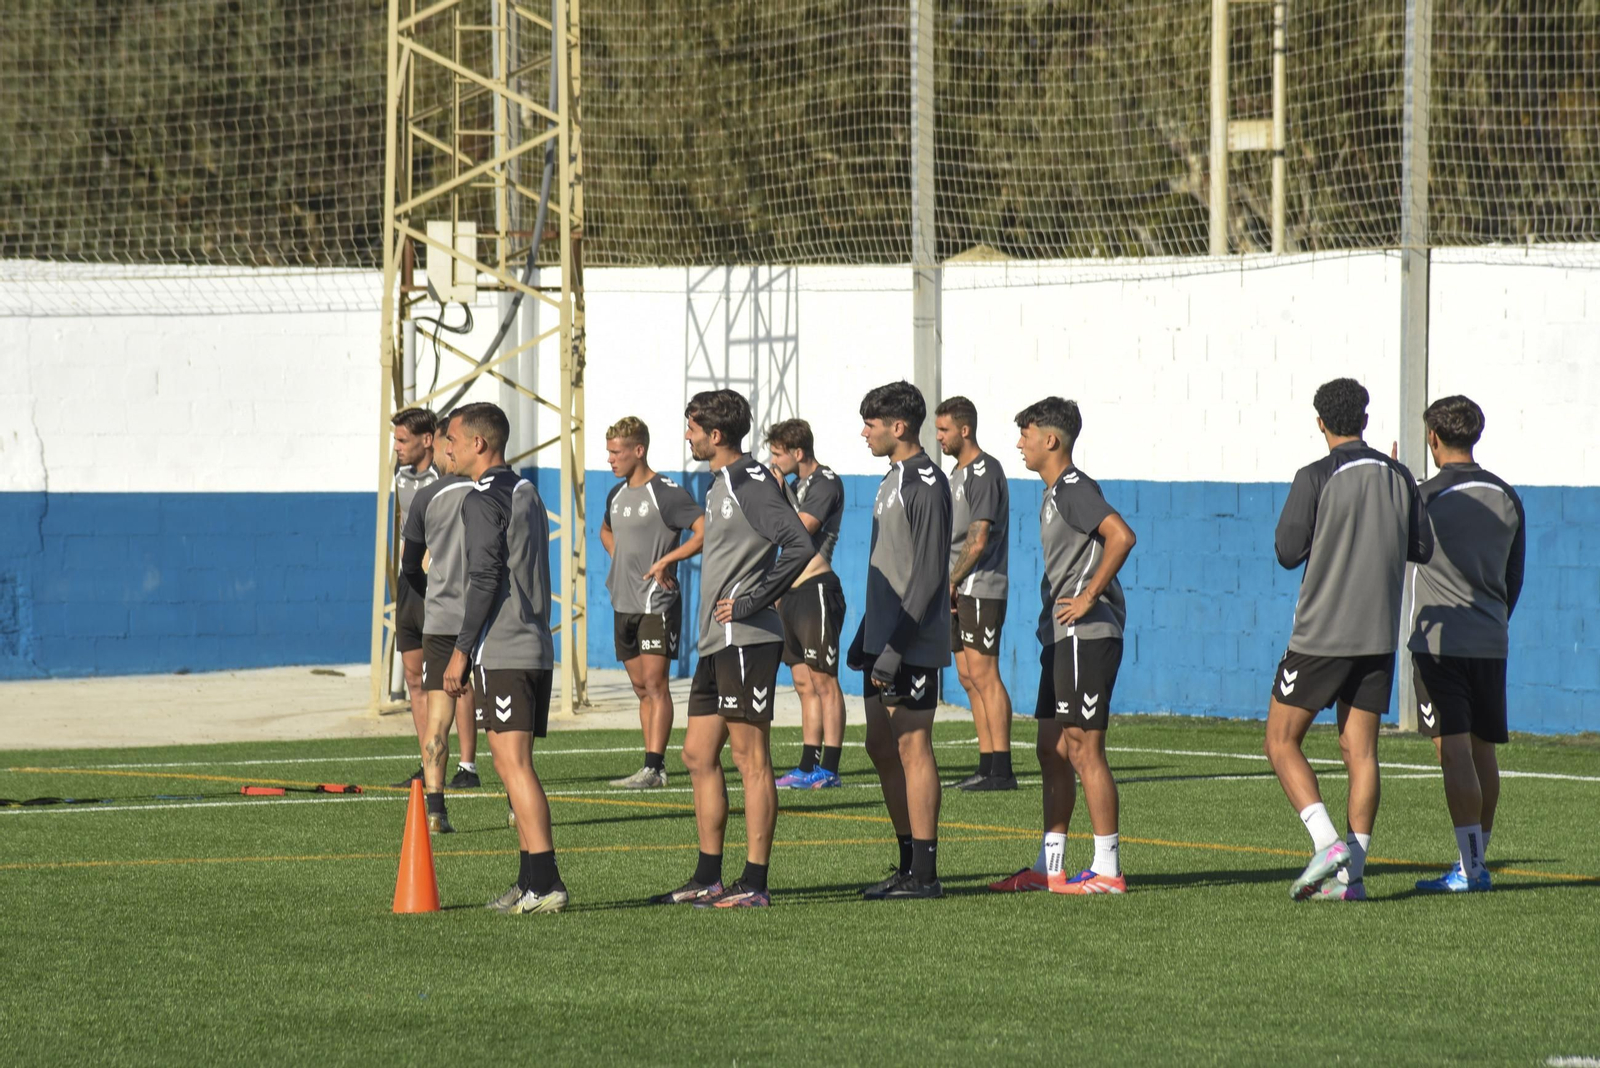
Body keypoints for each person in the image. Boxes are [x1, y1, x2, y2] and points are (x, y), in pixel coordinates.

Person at [1266, 378, 1432, 902]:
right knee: (1360, 751)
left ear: (1320, 422)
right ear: (1365, 416)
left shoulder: (1315, 475)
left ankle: (1327, 843)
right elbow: (1422, 548)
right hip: (1377, 634)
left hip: (1321, 633)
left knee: (1280, 741)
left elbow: (1288, 550)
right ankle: (1351, 879)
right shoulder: (1399, 474)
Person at [650, 390, 814, 909]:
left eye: (692, 428)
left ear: (715, 434)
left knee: (751, 758)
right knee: (697, 755)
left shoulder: (750, 480)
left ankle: (756, 883)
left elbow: (799, 544)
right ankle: (708, 877)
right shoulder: (724, 482)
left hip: (746, 639)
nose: (687, 436)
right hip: (715, 642)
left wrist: (751, 601)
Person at [989, 398, 1137, 895]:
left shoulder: (1074, 488)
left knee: (1083, 748)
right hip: (1060, 638)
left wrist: (1088, 596)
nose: (1019, 444)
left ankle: (1107, 869)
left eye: (1025, 434)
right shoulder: (1053, 494)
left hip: (1086, 635)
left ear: (1050, 440)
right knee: (1051, 749)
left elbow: (1121, 536)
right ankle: (1049, 866)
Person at [440, 403, 566, 914]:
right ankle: (528, 880)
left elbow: (486, 579)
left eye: (451, 438)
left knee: (514, 768)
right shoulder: (527, 489)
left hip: (506, 647)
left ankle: (547, 883)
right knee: (514, 766)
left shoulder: (482, 497)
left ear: (478, 444)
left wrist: (461, 651)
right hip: (535, 642)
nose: (445, 447)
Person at [1406, 396, 1524, 894]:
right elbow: (1513, 577)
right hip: (1491, 640)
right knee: (1483, 753)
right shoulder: (1507, 495)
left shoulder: (1424, 497)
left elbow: (1404, 550)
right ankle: (1474, 859)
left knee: (1454, 753)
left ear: (1433, 438)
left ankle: (1471, 869)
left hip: (1441, 645)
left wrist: (1400, 489)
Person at [849, 381, 953, 900]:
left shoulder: (927, 483)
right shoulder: (892, 479)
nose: (863, 432)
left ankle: (925, 874)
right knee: (879, 746)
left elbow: (930, 573)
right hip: (883, 639)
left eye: (871, 423)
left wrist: (894, 646)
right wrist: (866, 636)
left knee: (913, 747)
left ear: (899, 427)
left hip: (910, 643)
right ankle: (907, 858)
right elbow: (889, 562)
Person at [599, 416, 705, 789]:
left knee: (656, 684)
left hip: (655, 603)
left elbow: (703, 530)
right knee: (640, 687)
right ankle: (650, 764)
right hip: (622, 602)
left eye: (616, 452)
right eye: (609, 451)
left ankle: (654, 767)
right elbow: (606, 530)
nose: (610, 459)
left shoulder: (666, 492)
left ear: (638, 451)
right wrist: (620, 560)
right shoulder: (616, 494)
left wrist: (667, 561)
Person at [398, 413, 477, 833]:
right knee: (506, 727)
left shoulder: (428, 498)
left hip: (442, 617)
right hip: (490, 620)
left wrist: (434, 591)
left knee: (436, 718)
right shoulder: (506, 492)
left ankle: (436, 810)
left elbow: (410, 565)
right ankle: (516, 805)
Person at [933, 396, 1016, 792]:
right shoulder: (955, 475)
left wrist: (952, 580)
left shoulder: (985, 471)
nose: (939, 437)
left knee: (985, 674)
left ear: (964, 430)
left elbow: (978, 539)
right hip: (956, 586)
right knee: (968, 676)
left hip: (980, 585)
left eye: (944, 430)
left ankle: (1003, 768)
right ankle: (986, 765)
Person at [765, 418, 848, 790]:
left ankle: (829, 767)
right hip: (791, 593)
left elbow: (801, 529)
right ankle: (807, 763)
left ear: (798, 453)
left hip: (816, 588)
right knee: (802, 682)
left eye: (777, 453)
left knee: (824, 680)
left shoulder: (825, 482)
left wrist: (779, 496)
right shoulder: (796, 485)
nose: (772, 460)